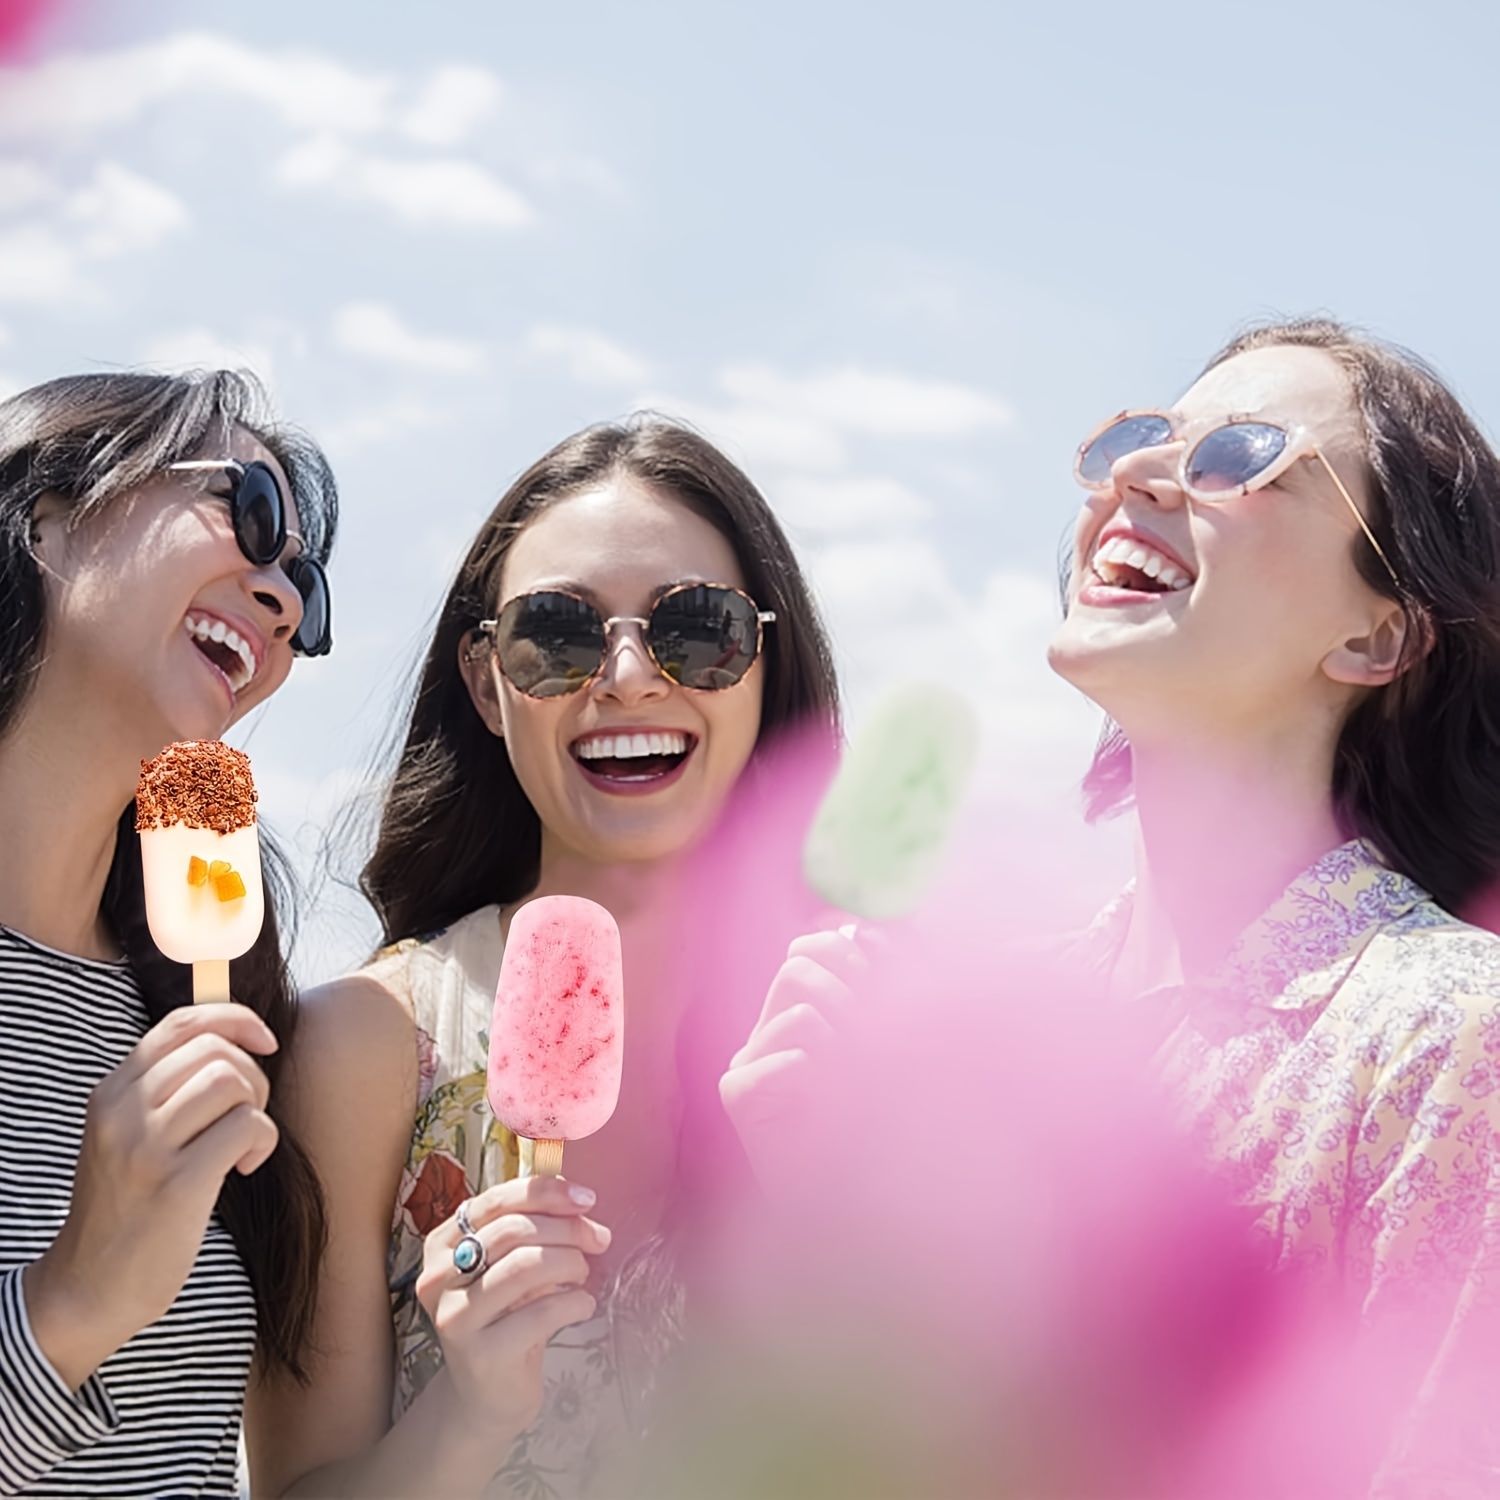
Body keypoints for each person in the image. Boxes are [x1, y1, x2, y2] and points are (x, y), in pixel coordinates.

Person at [732, 318, 1500, 1493]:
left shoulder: (1448, 1032)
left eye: (1238, 455)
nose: (1137, 476)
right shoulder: (1004, 1034)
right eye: (1145, 438)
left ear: (1380, 633)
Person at [251, 417, 839, 1498]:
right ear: (486, 684)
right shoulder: (367, 1047)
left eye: (698, 629)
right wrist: (470, 1417)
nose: (624, 679)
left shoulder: (867, 1025)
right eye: (556, 636)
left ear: (766, 664)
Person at [0, 371, 337, 1495]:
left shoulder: (211, 993)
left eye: (306, 585)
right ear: (47, 511)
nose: (283, 599)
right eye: (246, 513)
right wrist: (75, 1301)